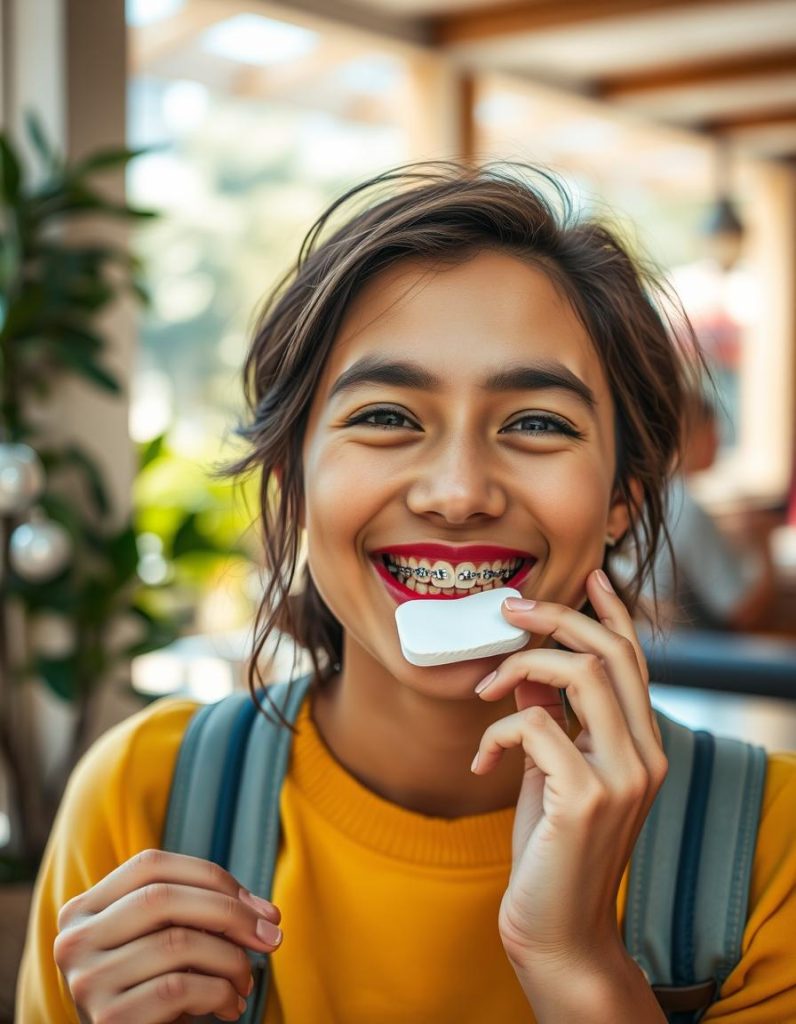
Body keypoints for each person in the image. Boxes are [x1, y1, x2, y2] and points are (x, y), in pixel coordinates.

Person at [17, 162, 796, 1023]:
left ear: (622, 501)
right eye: (387, 416)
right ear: (294, 477)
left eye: (536, 423)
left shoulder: (773, 846)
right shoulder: (140, 794)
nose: (458, 492)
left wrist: (576, 966)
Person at [635, 389, 777, 631]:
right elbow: (741, 611)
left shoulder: (643, 493)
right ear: (689, 434)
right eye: (714, 432)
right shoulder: (683, 505)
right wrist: (763, 545)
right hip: (680, 657)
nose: (718, 443)